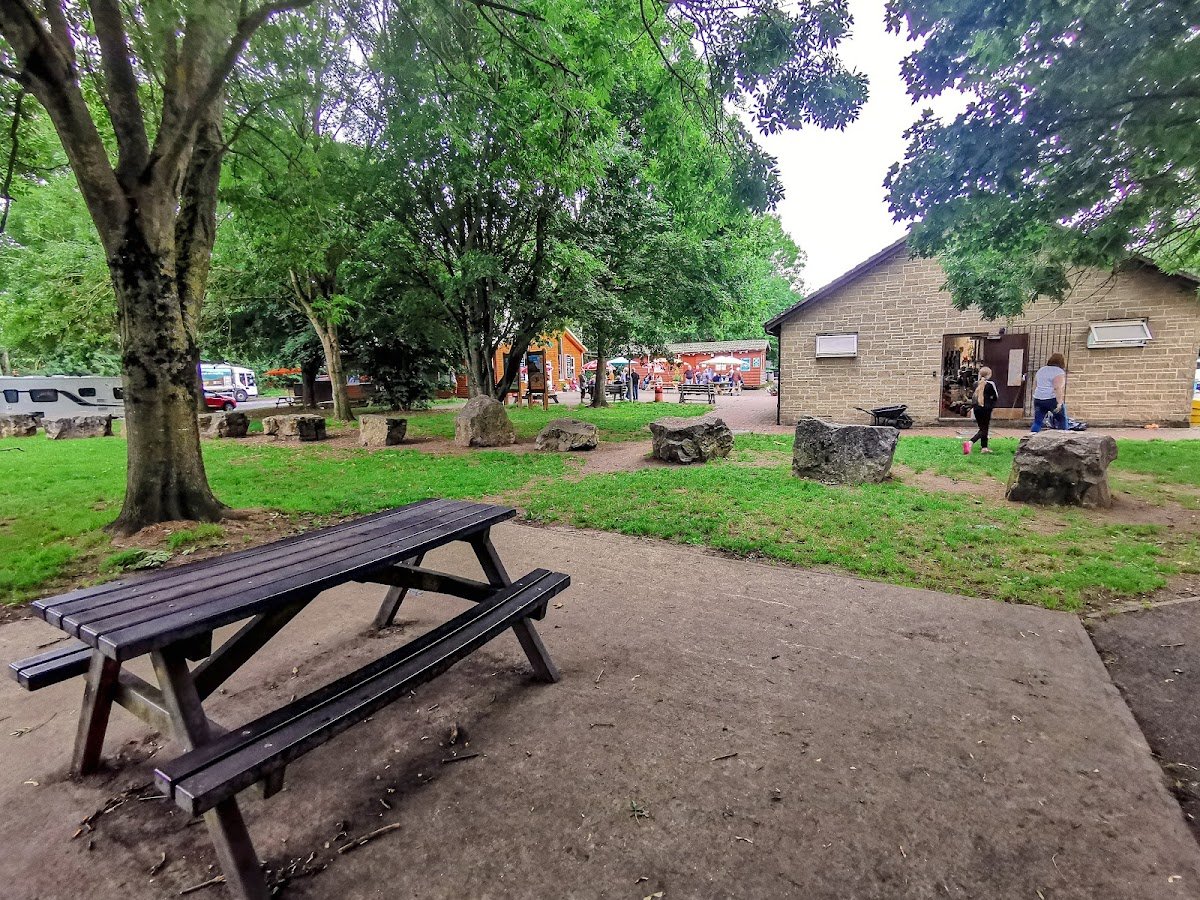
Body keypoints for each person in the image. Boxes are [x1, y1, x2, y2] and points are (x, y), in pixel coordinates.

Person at [964, 366, 998, 454]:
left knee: (982, 428)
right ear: (989, 375)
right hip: (986, 408)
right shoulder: (990, 384)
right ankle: (970, 442)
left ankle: (984, 447)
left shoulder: (976, 384)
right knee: (984, 428)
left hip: (977, 408)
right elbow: (995, 396)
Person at [1031, 352, 1067, 432]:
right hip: (1052, 399)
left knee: (1037, 422)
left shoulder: (1041, 370)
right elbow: (1057, 388)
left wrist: (1036, 395)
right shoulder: (1059, 372)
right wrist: (1059, 403)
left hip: (1038, 399)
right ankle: (1063, 438)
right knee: (1062, 420)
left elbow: (1035, 385)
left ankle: (1030, 438)